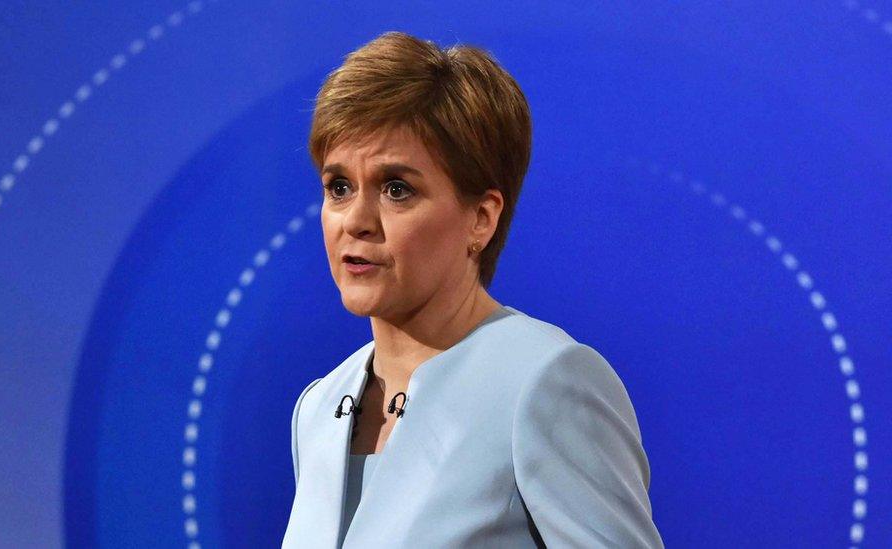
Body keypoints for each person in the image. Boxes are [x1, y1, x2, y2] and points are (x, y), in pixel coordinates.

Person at [282, 31, 663, 548]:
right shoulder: (319, 408)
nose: (356, 221)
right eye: (339, 187)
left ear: (480, 219)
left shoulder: (545, 382)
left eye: (397, 189)